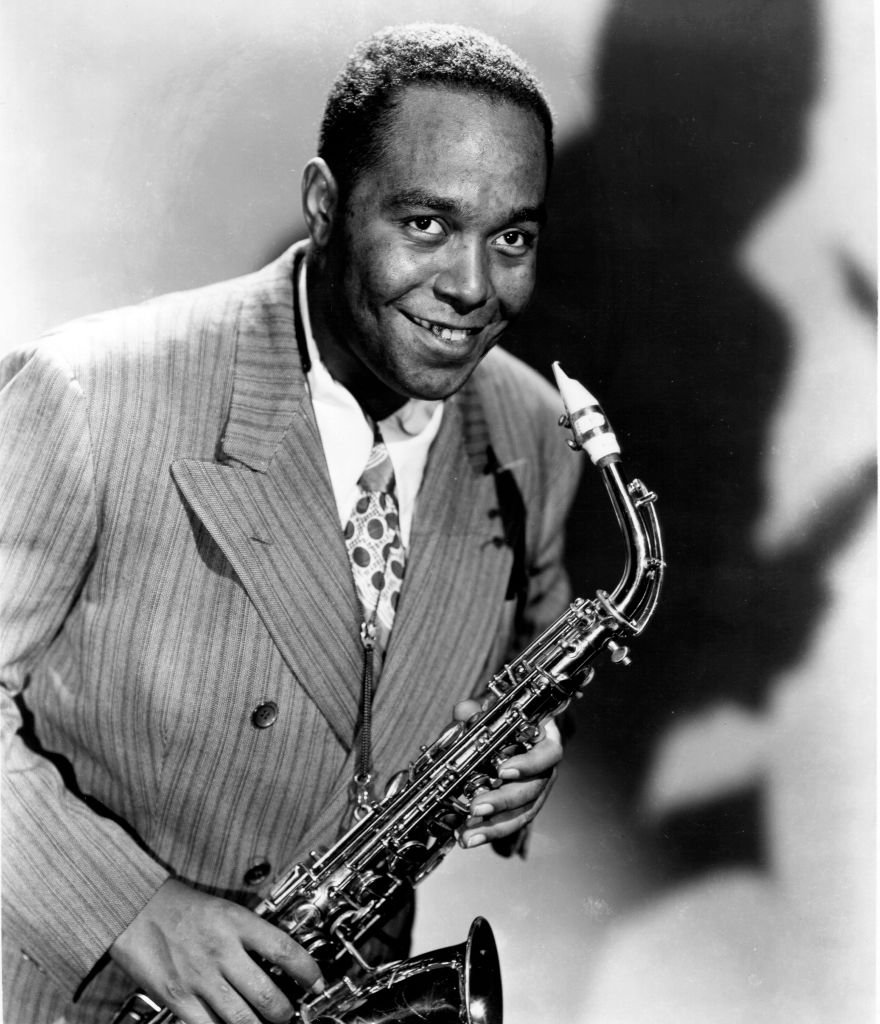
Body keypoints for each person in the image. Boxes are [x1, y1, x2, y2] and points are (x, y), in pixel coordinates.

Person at [1, 24, 581, 1024]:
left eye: (512, 238)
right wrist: (130, 907)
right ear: (324, 202)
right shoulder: (93, 393)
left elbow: (541, 640)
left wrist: (535, 749)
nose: (474, 289)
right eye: (427, 224)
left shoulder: (532, 426)